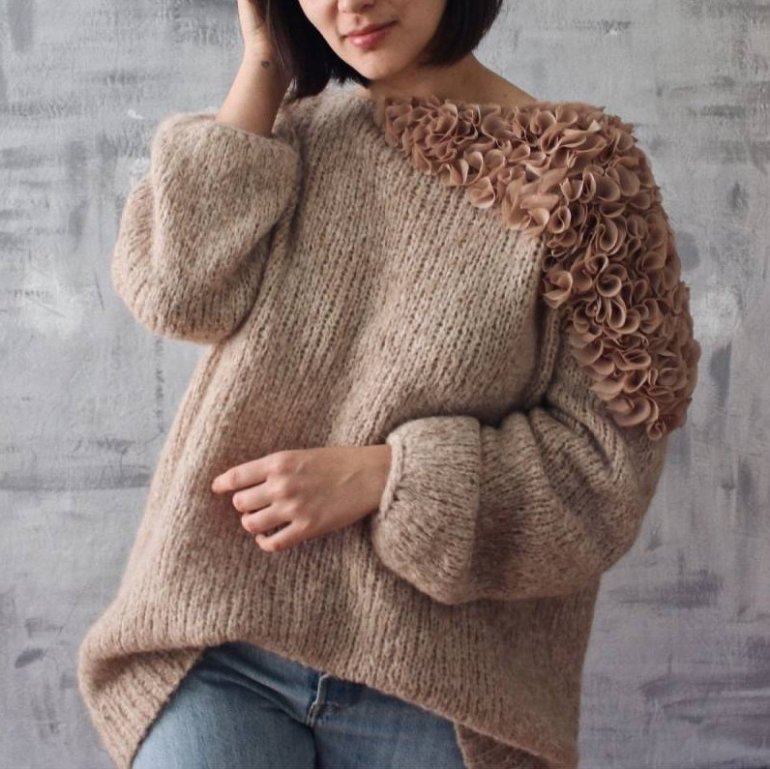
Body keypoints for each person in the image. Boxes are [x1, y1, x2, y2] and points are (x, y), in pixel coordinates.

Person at [77, 0, 702, 768]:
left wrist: (392, 476)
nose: (350, 4)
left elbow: (604, 477)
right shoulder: (287, 137)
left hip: (441, 694)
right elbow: (176, 295)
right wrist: (266, 65)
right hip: (222, 648)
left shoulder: (583, 179)